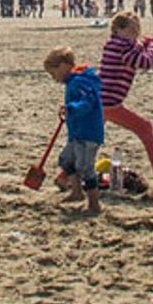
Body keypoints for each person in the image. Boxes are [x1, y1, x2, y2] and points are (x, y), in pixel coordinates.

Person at [100, 12, 153, 177]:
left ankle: (64, 176)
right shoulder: (122, 47)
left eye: (136, 30)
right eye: (130, 30)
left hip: (100, 101)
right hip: (111, 102)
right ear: (117, 30)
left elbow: (136, 47)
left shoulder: (113, 44)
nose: (134, 33)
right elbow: (144, 62)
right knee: (145, 128)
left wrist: (148, 42)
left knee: (90, 139)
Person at [44, 47, 103, 215]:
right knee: (66, 160)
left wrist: (72, 108)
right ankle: (77, 192)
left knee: (85, 168)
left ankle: (94, 204)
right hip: (76, 133)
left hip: (88, 133)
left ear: (63, 66)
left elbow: (88, 102)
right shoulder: (72, 82)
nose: (54, 79)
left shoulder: (80, 82)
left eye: (53, 74)